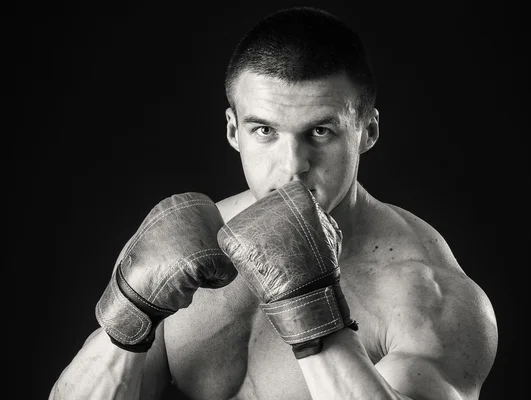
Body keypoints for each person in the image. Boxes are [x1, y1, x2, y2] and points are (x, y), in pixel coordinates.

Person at [49, 6, 498, 400]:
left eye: (320, 132)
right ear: (233, 131)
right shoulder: (183, 247)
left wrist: (311, 309)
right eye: (264, 130)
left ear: (367, 132)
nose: (292, 167)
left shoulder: (425, 292)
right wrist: (131, 315)